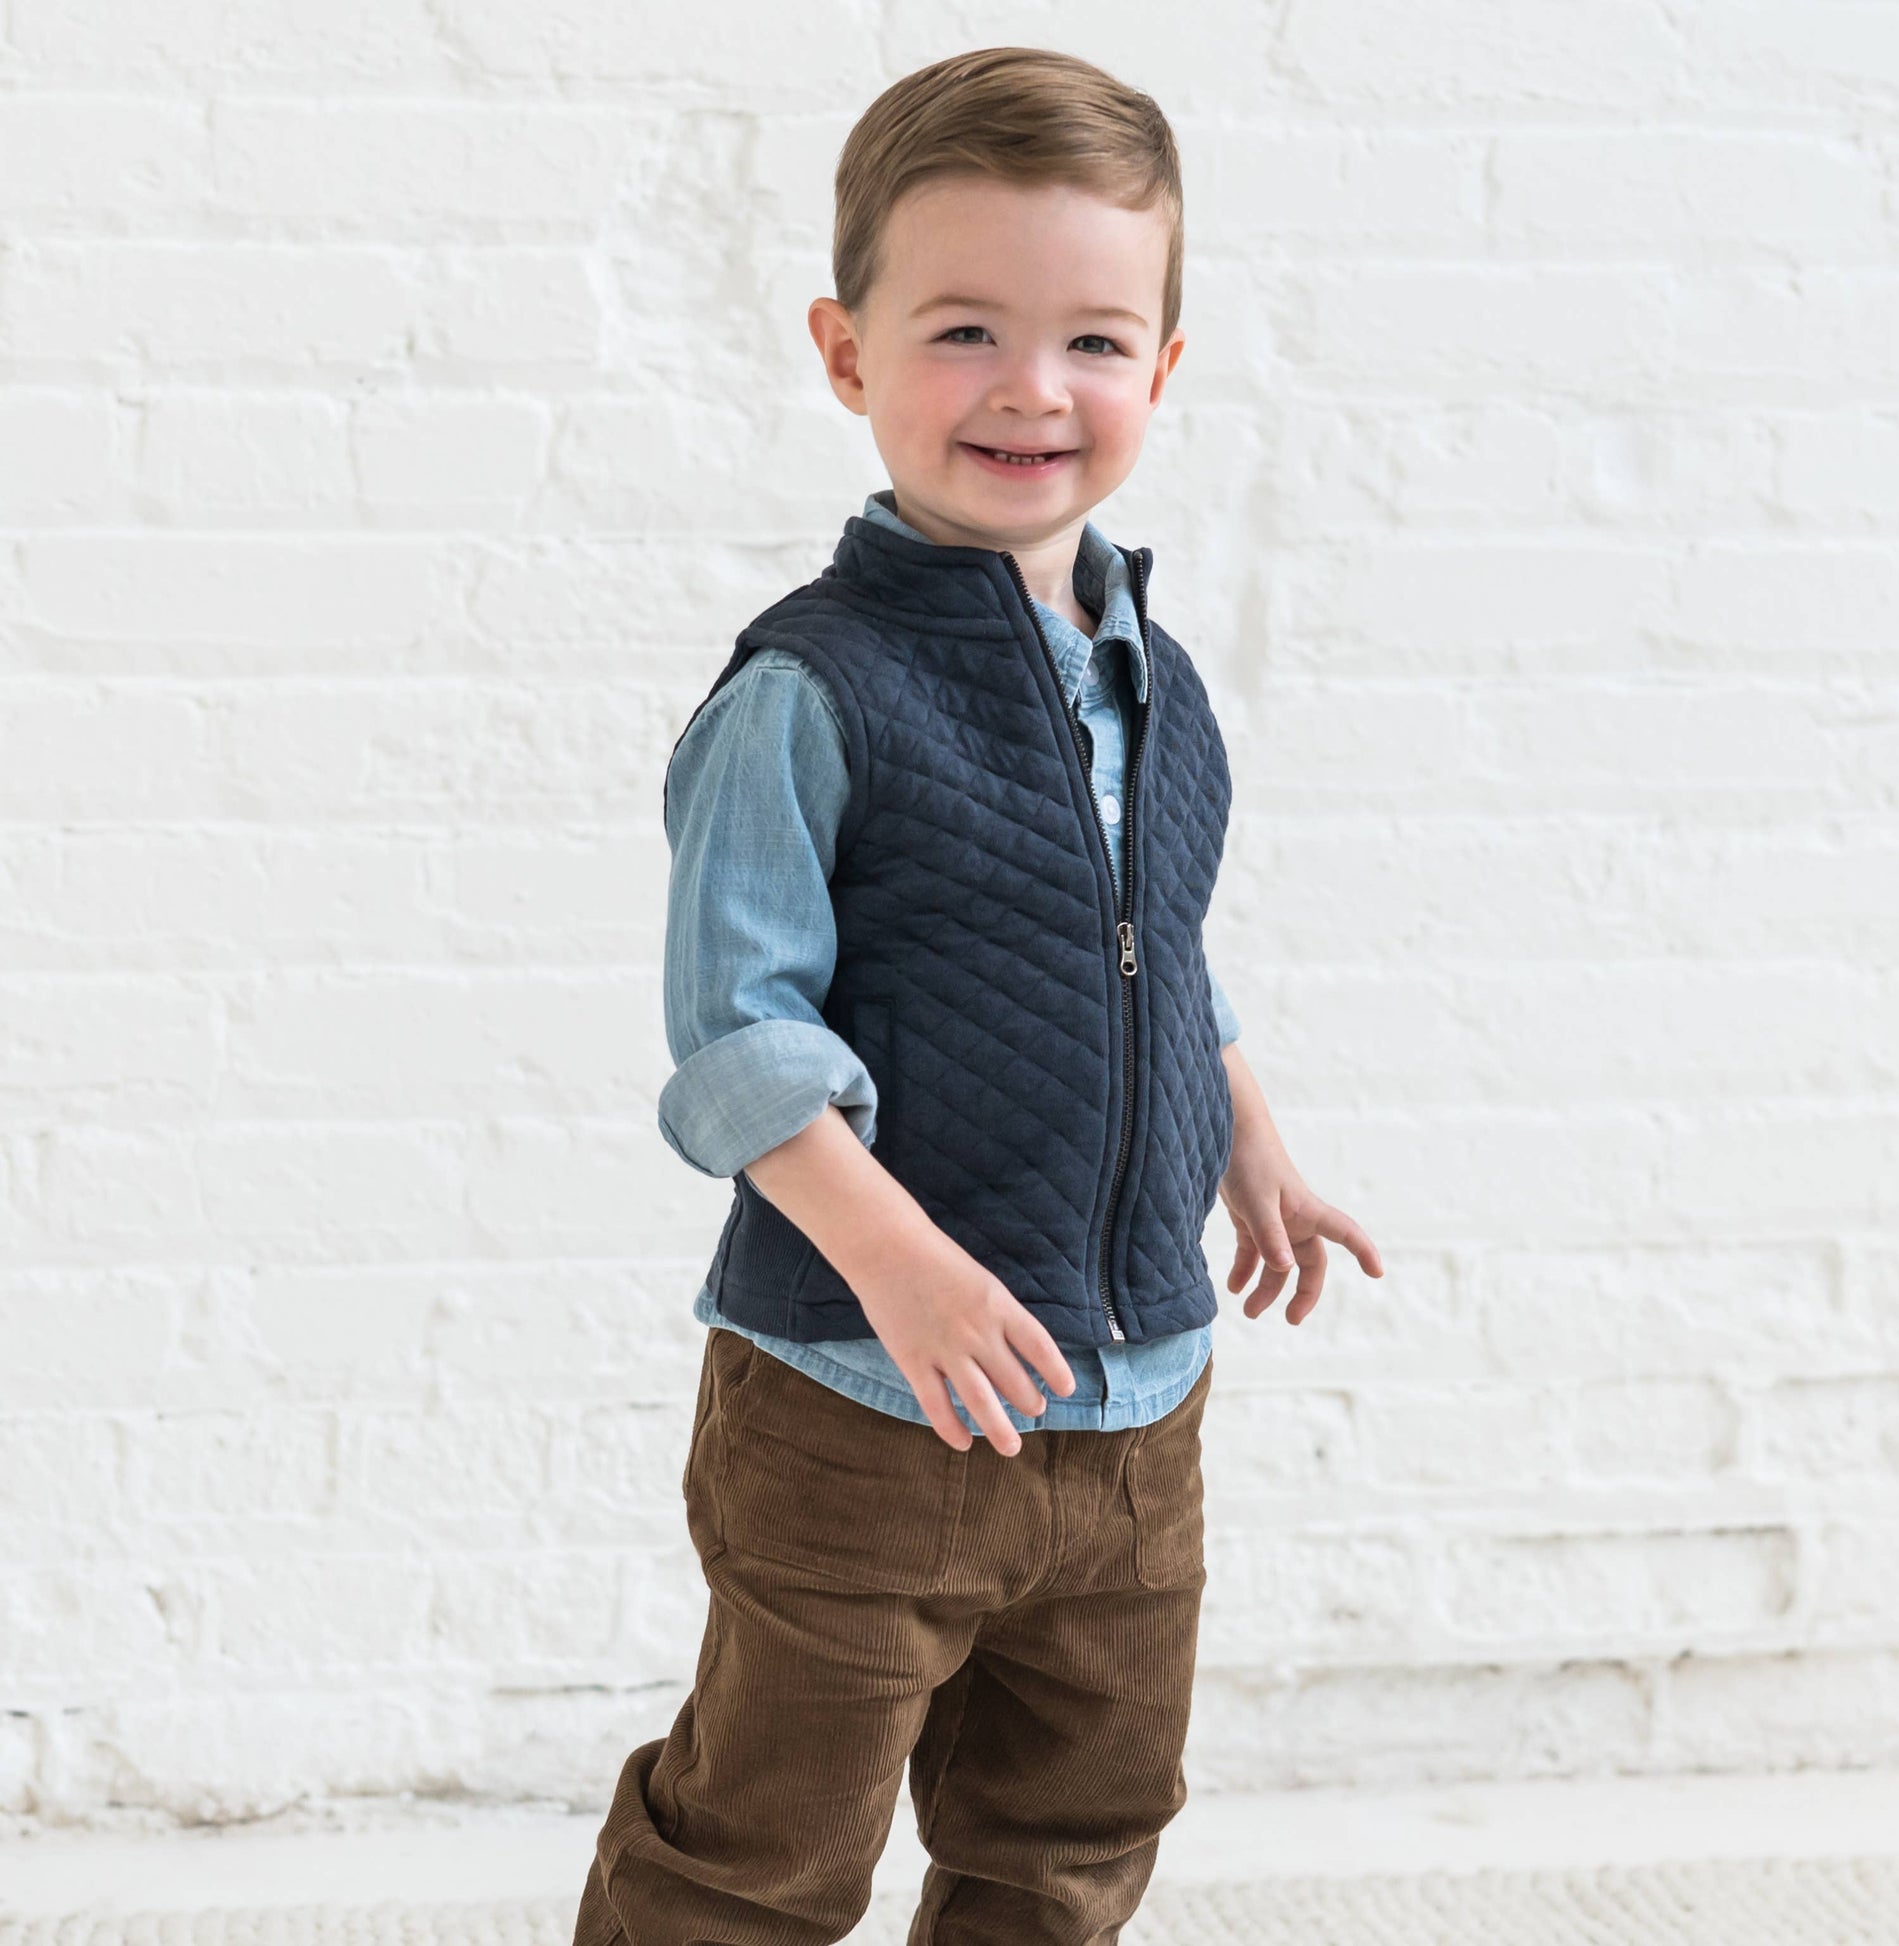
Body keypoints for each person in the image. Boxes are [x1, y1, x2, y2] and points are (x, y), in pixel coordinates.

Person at [574, 44, 1384, 1946]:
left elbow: (1157, 948)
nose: (1032, 387)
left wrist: (1249, 1140)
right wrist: (897, 1259)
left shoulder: (1156, 677)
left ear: (1161, 373)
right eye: (961, 331)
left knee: (1074, 1825)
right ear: (844, 351)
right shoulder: (809, 688)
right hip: (867, 1407)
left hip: (1135, 1404)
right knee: (763, 1844)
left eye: (1095, 339)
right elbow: (740, 1038)